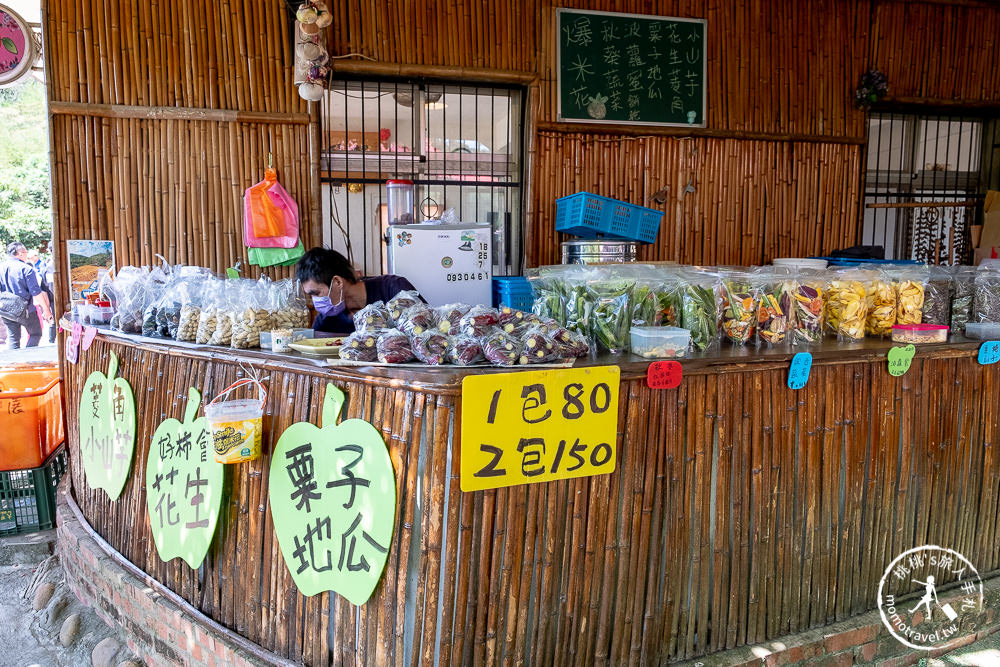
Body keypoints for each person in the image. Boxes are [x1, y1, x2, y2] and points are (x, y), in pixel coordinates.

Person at [296, 247, 419, 334]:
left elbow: (426, 331)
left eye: (316, 293)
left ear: (338, 282)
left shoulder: (393, 289)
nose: (315, 301)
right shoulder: (327, 317)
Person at [0, 241, 53, 349]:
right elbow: (36, 292)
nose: (26, 255)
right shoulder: (26, 269)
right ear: (20, 253)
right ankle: (27, 359)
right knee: (36, 334)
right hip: (27, 310)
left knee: (13, 338)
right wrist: (46, 309)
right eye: (25, 252)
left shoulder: (1, 267)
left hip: (6, 310)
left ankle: (15, 364)